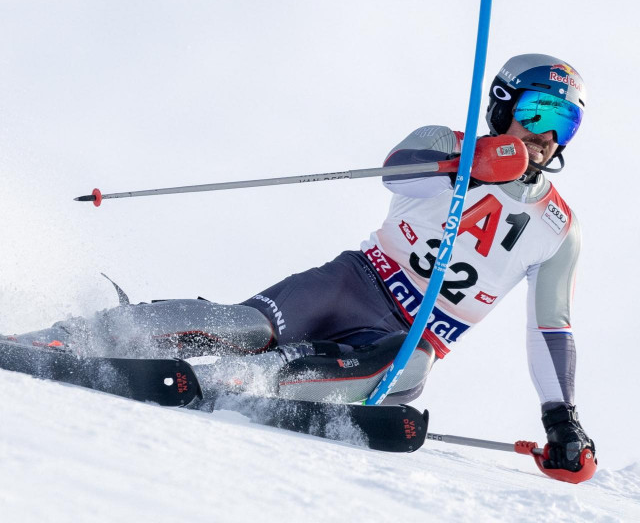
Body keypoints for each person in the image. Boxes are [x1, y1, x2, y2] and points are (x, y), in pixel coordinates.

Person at [3, 53, 594, 473]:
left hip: (408, 337)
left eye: (562, 124)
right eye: (537, 113)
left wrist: (560, 419)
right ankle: (72, 337)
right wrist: (473, 162)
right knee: (242, 328)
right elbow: (395, 169)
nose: (546, 136)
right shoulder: (447, 145)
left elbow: (551, 328)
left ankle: (241, 385)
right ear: (501, 107)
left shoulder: (557, 229)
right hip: (350, 284)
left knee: (408, 366)